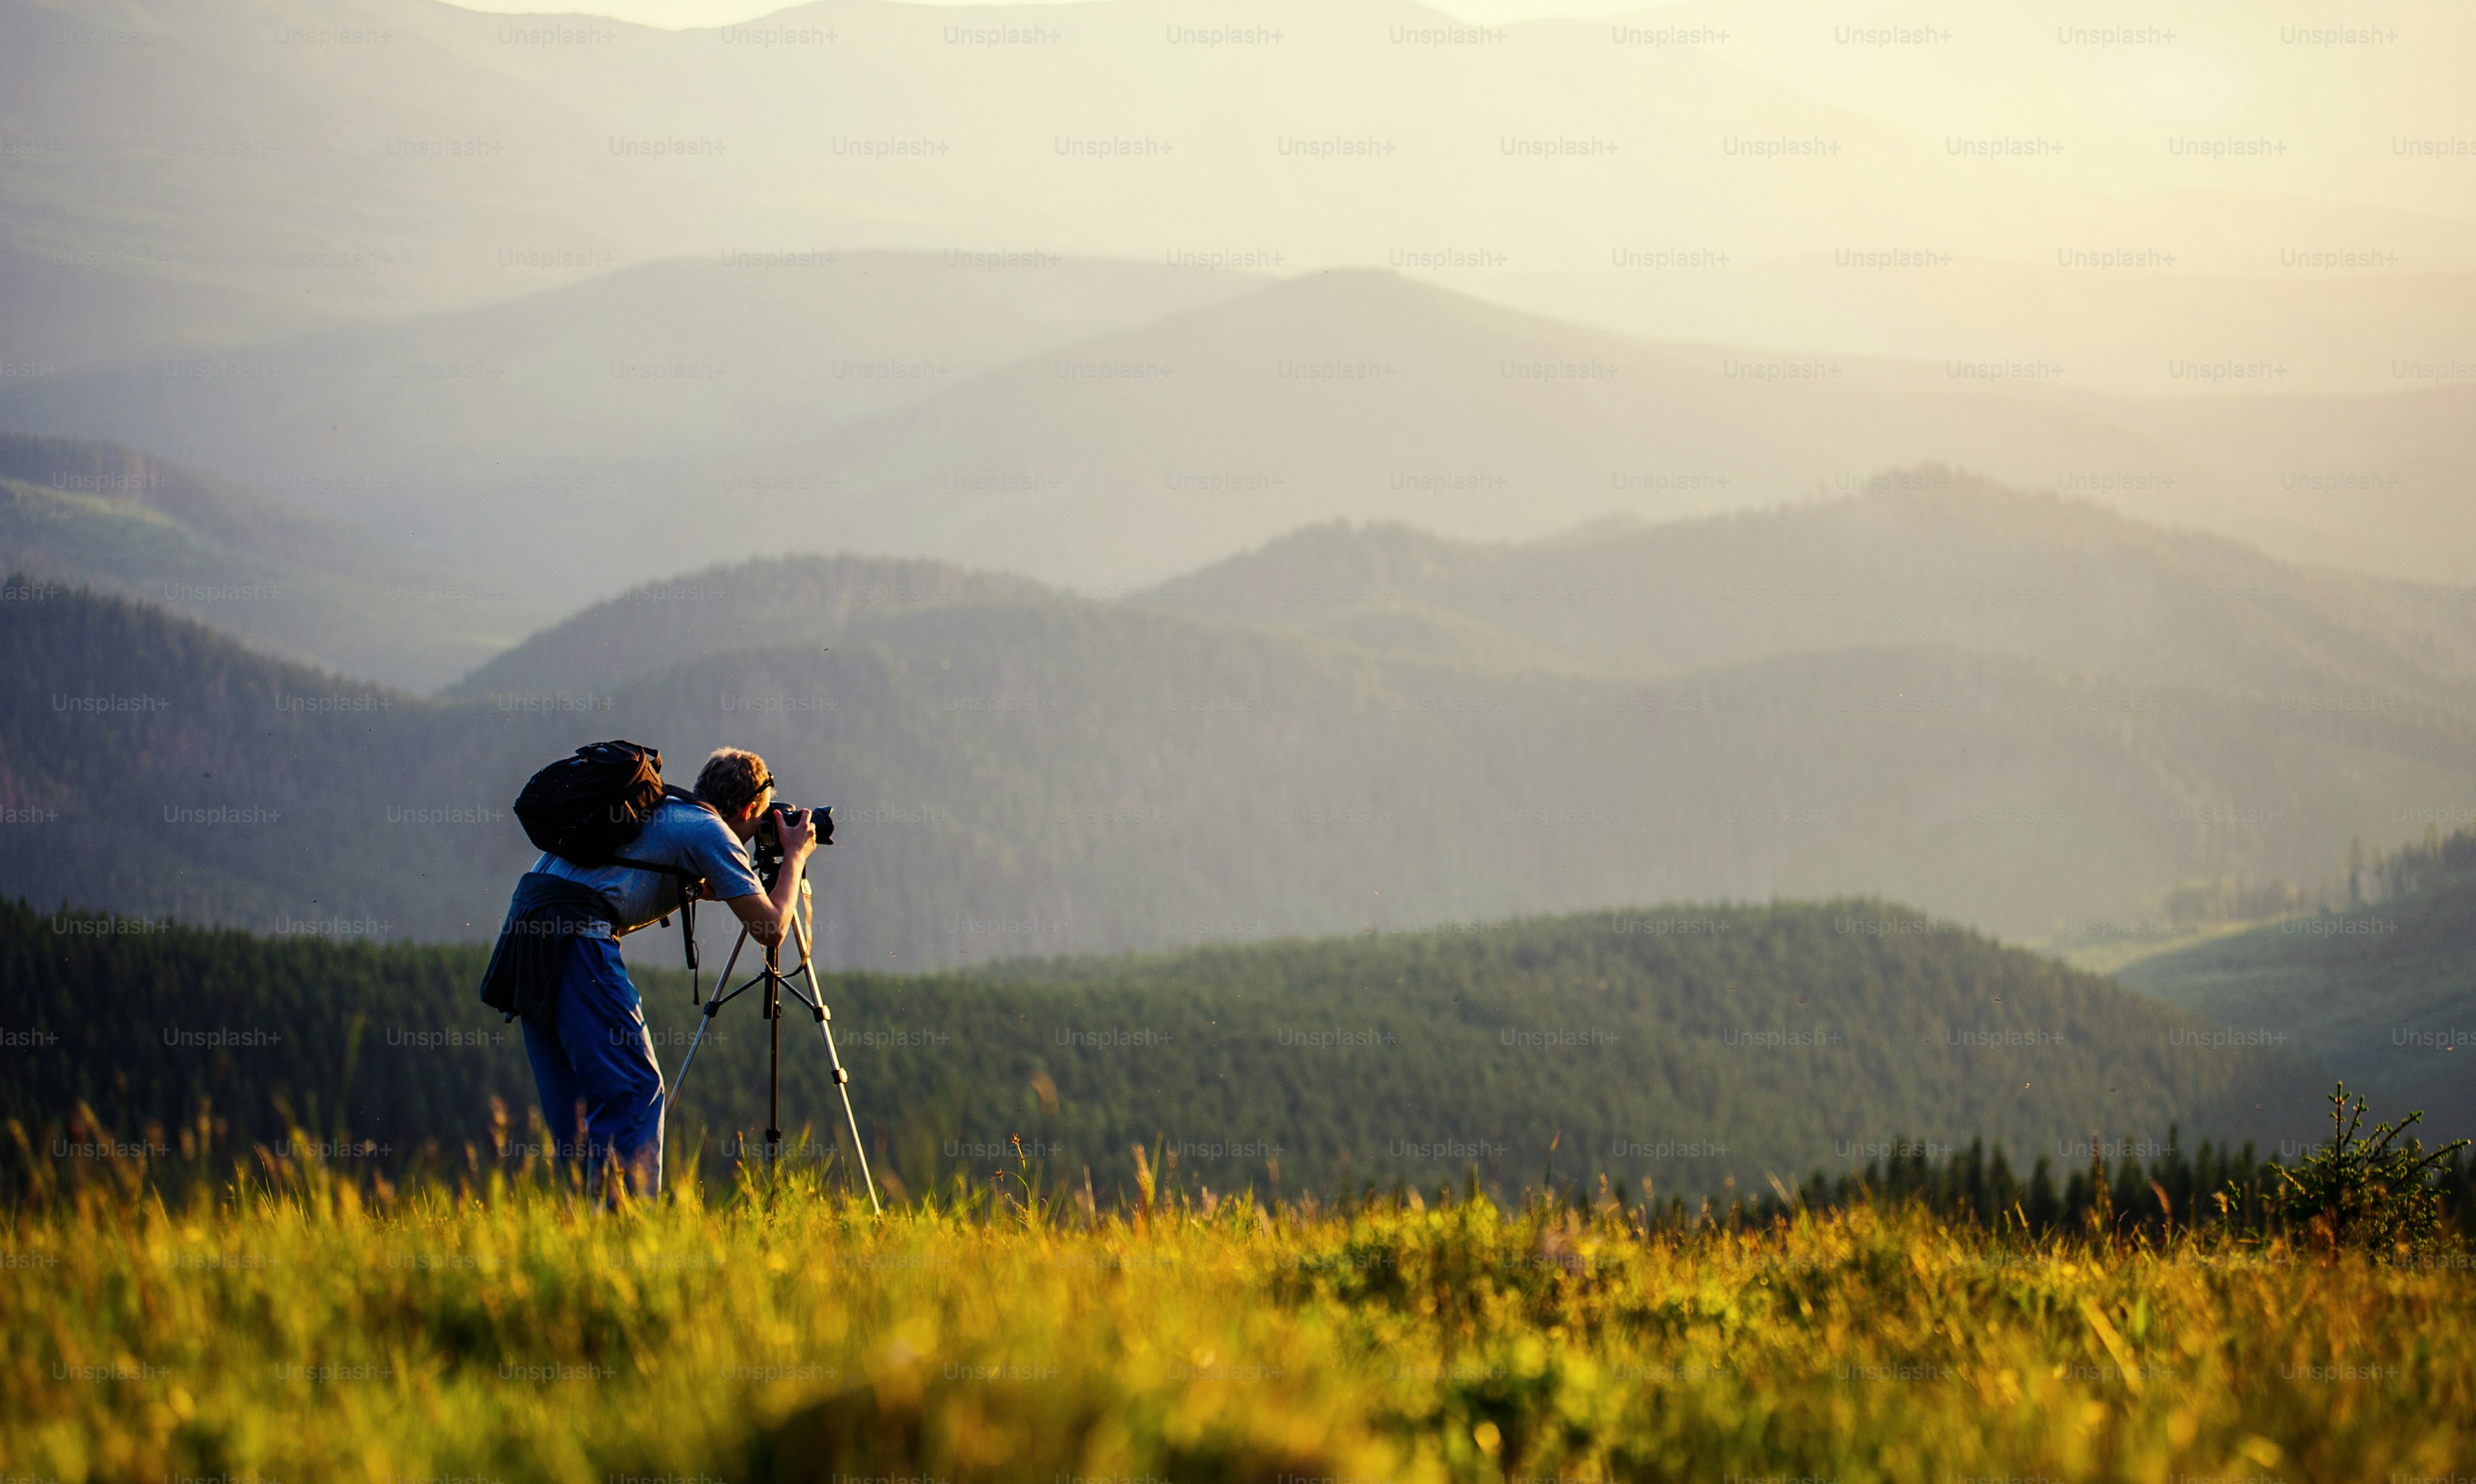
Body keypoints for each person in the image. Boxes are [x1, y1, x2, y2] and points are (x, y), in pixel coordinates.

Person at [483, 747, 817, 1197]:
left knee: (575, 1105)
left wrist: (702, 888)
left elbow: (616, 877)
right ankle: (629, 1230)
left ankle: (587, 1228)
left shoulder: (666, 808)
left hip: (526, 934)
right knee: (633, 1089)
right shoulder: (710, 830)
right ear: (747, 809)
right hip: (575, 937)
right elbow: (772, 928)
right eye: (759, 824)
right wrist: (794, 855)